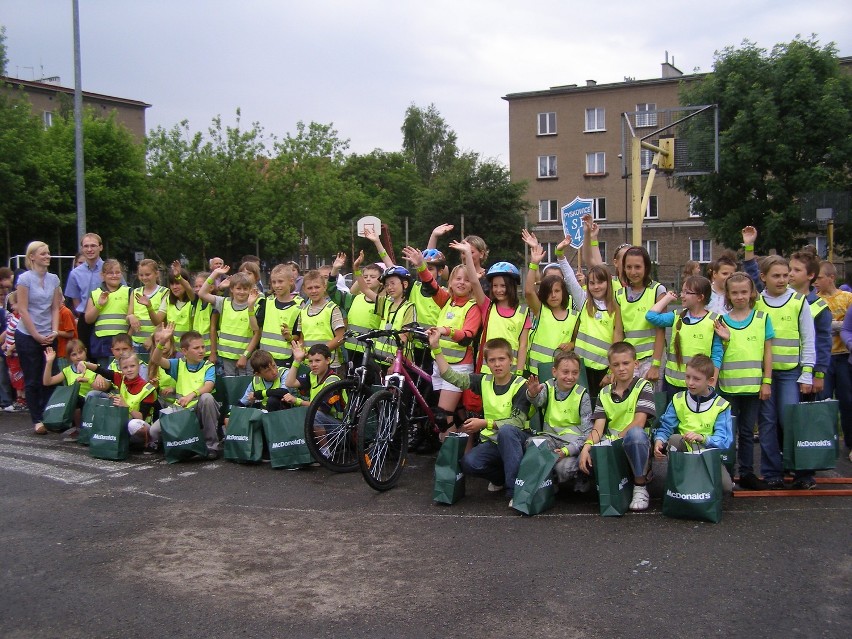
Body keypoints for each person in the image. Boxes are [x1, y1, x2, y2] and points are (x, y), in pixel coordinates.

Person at [428, 331, 531, 506]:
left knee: (506, 431)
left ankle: (515, 491)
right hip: (493, 443)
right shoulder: (483, 381)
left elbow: (517, 422)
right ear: (486, 363)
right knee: (469, 463)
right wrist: (436, 348)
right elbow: (452, 377)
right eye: (492, 360)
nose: (497, 364)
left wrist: (485, 423)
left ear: (511, 360)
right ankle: (501, 479)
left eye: (501, 359)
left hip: (518, 441)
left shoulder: (521, 384)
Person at [402, 246, 482, 441]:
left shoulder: (473, 307)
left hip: (458, 368)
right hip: (440, 364)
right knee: (457, 414)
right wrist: (421, 266)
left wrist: (445, 331)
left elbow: (467, 336)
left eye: (466, 279)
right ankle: (463, 455)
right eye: (457, 279)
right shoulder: (447, 300)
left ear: (472, 284)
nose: (461, 283)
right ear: (451, 282)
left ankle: (451, 460)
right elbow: (431, 285)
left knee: (443, 417)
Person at [755, 255, 815, 489]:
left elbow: (808, 339)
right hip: (764, 374)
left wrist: (807, 372)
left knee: (790, 420)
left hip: (791, 372)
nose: (782, 280)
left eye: (785, 275)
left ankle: (802, 472)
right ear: (763, 278)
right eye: (776, 276)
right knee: (767, 423)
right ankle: (772, 473)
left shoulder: (799, 301)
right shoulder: (757, 302)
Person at [578, 342, 657, 512]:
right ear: (610, 367)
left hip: (633, 444)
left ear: (636, 364)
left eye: (626, 363)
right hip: (613, 443)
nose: (621, 368)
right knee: (587, 453)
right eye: (616, 365)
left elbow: (639, 422)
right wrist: (587, 447)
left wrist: (613, 442)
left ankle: (640, 486)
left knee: (635, 434)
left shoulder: (644, 386)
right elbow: (598, 428)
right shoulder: (604, 393)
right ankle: (612, 485)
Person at [713, 273, 774, 490]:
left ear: (751, 293)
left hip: (753, 388)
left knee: (747, 432)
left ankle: (747, 473)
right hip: (728, 388)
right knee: (727, 433)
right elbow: (718, 353)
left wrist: (766, 381)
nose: (740, 297)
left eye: (744, 292)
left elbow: (768, 353)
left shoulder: (762, 319)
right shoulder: (721, 321)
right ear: (728, 295)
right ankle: (727, 472)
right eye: (735, 292)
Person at [653, 354, 734, 493]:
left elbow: (724, 440)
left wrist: (702, 438)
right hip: (683, 450)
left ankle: (696, 485)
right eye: (687, 377)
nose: (690, 382)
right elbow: (666, 426)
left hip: (707, 452)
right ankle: (679, 483)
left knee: (726, 487)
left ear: (710, 381)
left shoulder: (721, 405)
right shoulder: (678, 399)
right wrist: (659, 440)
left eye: (696, 379)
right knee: (674, 439)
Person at [785, 248, 831, 490]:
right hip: (786, 369)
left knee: (805, 423)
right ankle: (786, 465)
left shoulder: (819, 306)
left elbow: (823, 343)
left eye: (796, 270)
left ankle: (805, 473)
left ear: (811, 276)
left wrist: (818, 373)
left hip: (808, 372)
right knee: (786, 420)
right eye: (789, 269)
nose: (790, 274)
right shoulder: (784, 299)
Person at [451, 239, 530, 376]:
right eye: (495, 286)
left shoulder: (523, 312)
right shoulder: (487, 306)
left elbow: (523, 346)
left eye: (503, 286)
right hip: (486, 371)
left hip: (511, 374)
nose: (498, 290)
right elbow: (475, 281)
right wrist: (468, 255)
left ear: (511, 286)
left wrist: (519, 373)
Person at [646, 275, 723, 402]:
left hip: (698, 385)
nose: (682, 295)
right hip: (672, 382)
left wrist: (712, 381)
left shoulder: (714, 320)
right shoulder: (676, 316)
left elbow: (717, 354)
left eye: (687, 292)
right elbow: (651, 316)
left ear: (700, 297)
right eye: (682, 291)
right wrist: (667, 298)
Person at [149, 325, 220, 459]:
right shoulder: (178, 364)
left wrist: (192, 395)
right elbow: (156, 359)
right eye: (196, 348)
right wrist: (162, 341)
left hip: (198, 409)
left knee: (207, 398)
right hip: (180, 408)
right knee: (154, 431)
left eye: (203, 347)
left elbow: (208, 386)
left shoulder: (208, 366)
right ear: (184, 351)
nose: (201, 351)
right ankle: (182, 443)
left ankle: (212, 446)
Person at [525, 350, 593, 489]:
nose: (570, 377)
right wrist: (532, 393)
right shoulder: (547, 386)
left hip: (572, 444)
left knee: (564, 468)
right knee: (533, 444)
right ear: (554, 371)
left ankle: (578, 479)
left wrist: (566, 451)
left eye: (575, 373)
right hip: (550, 439)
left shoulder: (582, 395)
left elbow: (587, 433)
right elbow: (538, 401)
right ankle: (546, 484)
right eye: (565, 372)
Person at [15, 241, 62, 434]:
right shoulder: (24, 279)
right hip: (28, 334)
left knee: (51, 376)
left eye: (48, 253)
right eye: (43, 253)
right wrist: (36, 334)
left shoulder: (54, 279)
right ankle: (37, 418)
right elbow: (23, 309)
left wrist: (55, 330)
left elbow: (55, 307)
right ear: (32, 257)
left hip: (49, 333)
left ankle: (51, 414)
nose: (47, 256)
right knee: (33, 377)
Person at [521, 231, 579, 374]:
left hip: (561, 373)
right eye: (549, 292)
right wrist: (534, 263)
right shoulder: (541, 311)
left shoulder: (574, 315)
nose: (553, 296)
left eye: (557, 291)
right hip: (536, 370)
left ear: (564, 291)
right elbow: (529, 291)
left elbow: (578, 339)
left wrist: (572, 344)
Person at [81, 351, 159, 453]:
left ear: (138, 367)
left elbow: (141, 417)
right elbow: (100, 370)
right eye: (125, 367)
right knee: (96, 398)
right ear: (121, 369)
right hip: (124, 421)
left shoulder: (148, 389)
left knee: (134, 425)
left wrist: (126, 406)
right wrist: (84, 364)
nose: (129, 370)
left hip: (143, 425)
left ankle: (149, 443)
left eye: (132, 366)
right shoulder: (120, 378)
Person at [614, 246, 666, 389]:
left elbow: (660, 331)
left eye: (638, 267)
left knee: (650, 403)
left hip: (650, 358)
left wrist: (656, 364)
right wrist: (613, 364)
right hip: (628, 359)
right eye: (628, 267)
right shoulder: (619, 294)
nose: (633, 272)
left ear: (646, 267)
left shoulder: (657, 290)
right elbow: (618, 331)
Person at [814, 260, 852, 457]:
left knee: (847, 400)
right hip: (824, 358)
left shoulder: (847, 298)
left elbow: (847, 326)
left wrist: (834, 327)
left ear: (831, 278)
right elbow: (817, 328)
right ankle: (825, 443)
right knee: (824, 401)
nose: (816, 281)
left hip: (845, 357)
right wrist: (839, 326)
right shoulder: (815, 301)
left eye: (819, 277)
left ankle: (850, 442)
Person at [198, 266, 260, 376]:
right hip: (226, 357)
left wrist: (245, 355)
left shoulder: (254, 305)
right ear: (231, 289)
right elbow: (202, 293)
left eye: (245, 289)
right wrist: (215, 273)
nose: (241, 292)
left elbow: (256, 333)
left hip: (246, 357)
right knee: (231, 387)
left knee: (247, 387)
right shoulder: (224, 303)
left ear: (250, 290)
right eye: (238, 288)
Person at [328, 252, 382, 362]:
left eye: (372, 277)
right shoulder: (353, 299)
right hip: (351, 350)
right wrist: (334, 270)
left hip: (371, 353)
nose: (368, 279)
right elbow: (331, 291)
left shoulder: (383, 303)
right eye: (365, 276)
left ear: (381, 281)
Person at [290, 270, 346, 373]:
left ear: (324, 287)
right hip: (309, 364)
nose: (313, 291)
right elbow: (302, 337)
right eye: (310, 288)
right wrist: (301, 350)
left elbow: (340, 337)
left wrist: (320, 352)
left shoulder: (332, 309)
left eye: (317, 287)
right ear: (304, 290)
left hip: (329, 364)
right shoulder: (303, 311)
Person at [42, 341, 98, 439]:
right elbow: (47, 382)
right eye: (74, 354)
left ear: (86, 351)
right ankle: (75, 428)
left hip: (92, 400)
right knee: (68, 398)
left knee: (76, 398)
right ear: (69, 357)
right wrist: (49, 362)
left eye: (80, 352)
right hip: (75, 403)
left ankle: (81, 429)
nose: (78, 356)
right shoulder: (67, 370)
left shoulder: (93, 367)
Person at [251, 264, 302, 367]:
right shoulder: (267, 302)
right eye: (274, 282)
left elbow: (299, 336)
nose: (276, 285)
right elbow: (255, 328)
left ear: (291, 281)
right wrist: (250, 308)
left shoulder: (299, 306)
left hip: (285, 358)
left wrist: (289, 337)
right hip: (264, 358)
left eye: (280, 281)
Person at [83, 259, 131, 364]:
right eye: (110, 273)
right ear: (102, 275)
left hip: (123, 342)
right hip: (102, 343)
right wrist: (99, 305)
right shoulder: (95, 294)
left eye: (117, 272)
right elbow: (88, 319)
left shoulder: (128, 292)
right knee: (106, 375)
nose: (114, 275)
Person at [64, 233, 104, 355]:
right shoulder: (75, 274)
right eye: (86, 246)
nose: (90, 249)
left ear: (100, 247)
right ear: (82, 248)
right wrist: (82, 314)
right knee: (86, 355)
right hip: (85, 320)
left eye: (93, 245)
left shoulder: (109, 269)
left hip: (106, 317)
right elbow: (75, 299)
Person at [281, 342, 341, 409]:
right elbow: (290, 383)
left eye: (317, 360)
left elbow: (322, 408)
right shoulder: (312, 375)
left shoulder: (332, 380)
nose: (313, 364)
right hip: (317, 413)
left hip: (335, 418)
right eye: (310, 361)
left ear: (328, 360)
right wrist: (297, 360)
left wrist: (297, 401)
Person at [150, 261, 196, 345]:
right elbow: (157, 321)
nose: (174, 287)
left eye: (178, 283)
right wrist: (149, 307)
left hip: (188, 347)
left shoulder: (193, 300)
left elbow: (189, 290)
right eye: (172, 284)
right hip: (172, 349)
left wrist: (179, 277)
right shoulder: (167, 300)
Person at [127, 259, 167, 353]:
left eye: (148, 274)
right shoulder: (136, 292)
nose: (144, 278)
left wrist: (152, 338)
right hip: (135, 342)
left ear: (156, 274)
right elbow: (128, 315)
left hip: (153, 343)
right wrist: (131, 317)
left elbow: (162, 321)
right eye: (141, 275)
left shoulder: (164, 292)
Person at [3, 291, 28, 412]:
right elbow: (8, 333)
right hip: (10, 354)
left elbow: (19, 337)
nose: (12, 306)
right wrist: (5, 345)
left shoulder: (22, 319)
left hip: (16, 354)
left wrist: (11, 348)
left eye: (14, 304)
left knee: (19, 376)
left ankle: (22, 399)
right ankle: (19, 398)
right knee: (13, 376)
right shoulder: (13, 316)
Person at [191, 271, 218, 361]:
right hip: (196, 350)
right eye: (196, 286)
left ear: (211, 288)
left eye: (201, 286)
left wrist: (213, 353)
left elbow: (213, 329)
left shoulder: (213, 304)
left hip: (209, 351)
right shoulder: (197, 301)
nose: (198, 289)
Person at [705, 250, 738, 314]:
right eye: (724, 274)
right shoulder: (705, 291)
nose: (728, 277)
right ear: (714, 274)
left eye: (731, 274)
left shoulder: (736, 294)